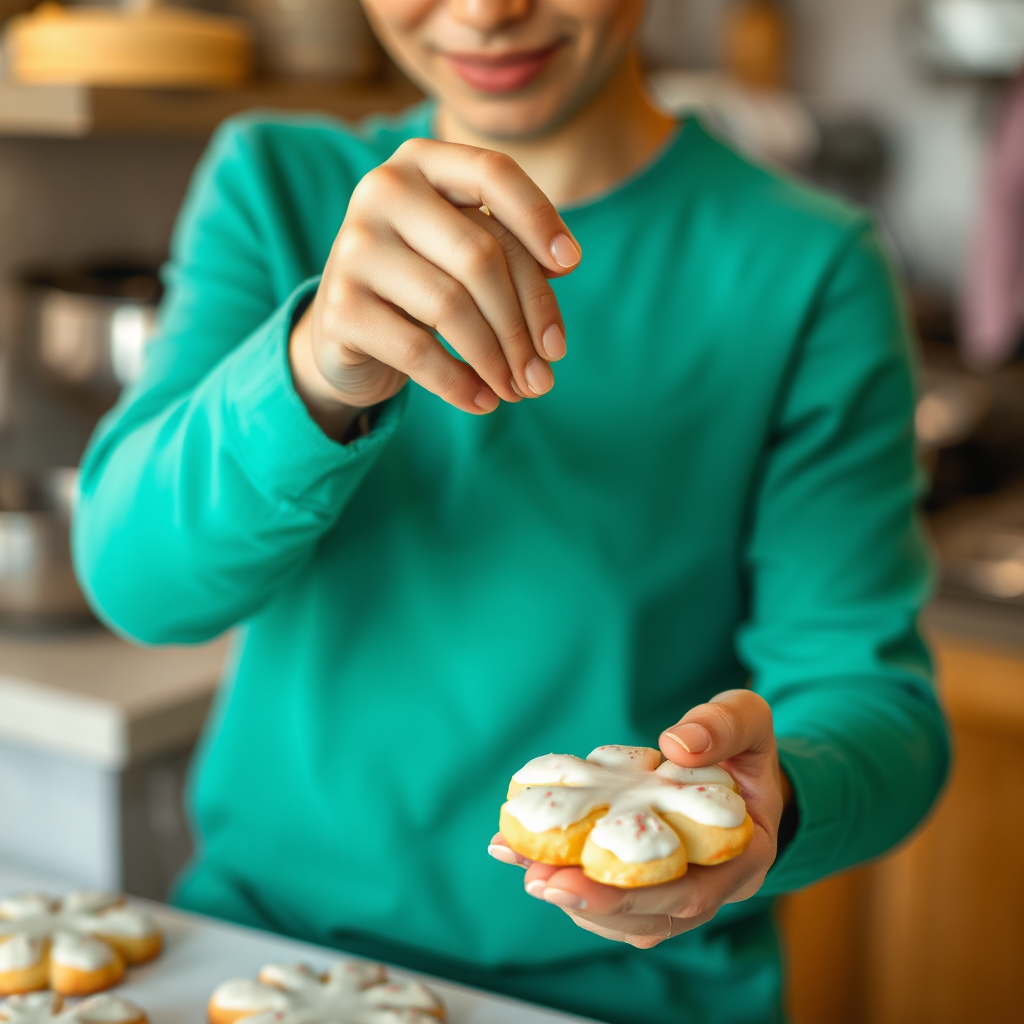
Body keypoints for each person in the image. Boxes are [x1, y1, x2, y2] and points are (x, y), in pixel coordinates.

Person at [72, 2, 950, 1022]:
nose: (487, 11)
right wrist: (310, 366)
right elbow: (138, 584)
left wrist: (776, 798)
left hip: (625, 992)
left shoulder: (811, 268)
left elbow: (878, 705)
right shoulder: (276, 185)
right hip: (272, 962)